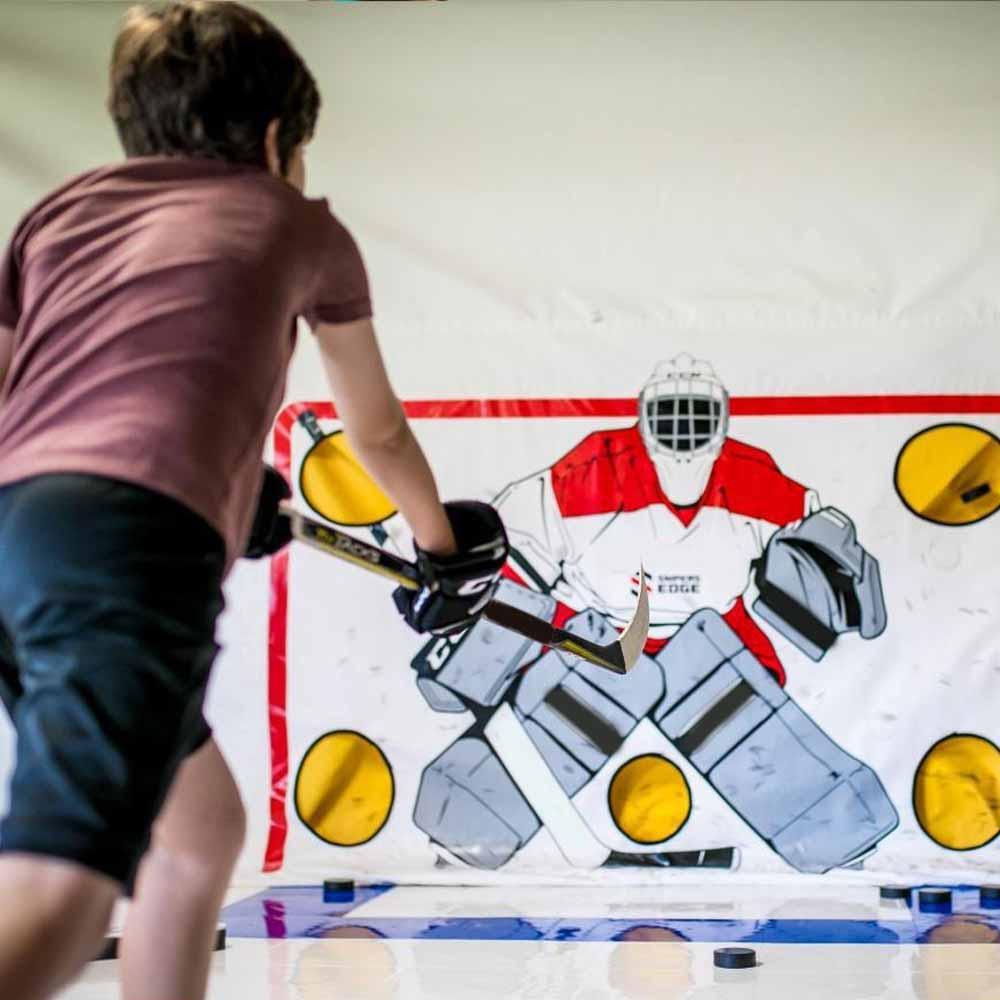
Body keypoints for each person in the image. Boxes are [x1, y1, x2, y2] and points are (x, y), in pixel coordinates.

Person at [0, 3, 507, 998]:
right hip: (128, 545)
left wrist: (227, 490)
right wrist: (442, 550)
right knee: (64, 895)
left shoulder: (58, 215)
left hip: (23, 537)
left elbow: (30, 409)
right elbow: (377, 433)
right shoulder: (299, 225)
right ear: (279, 140)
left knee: (199, 835)